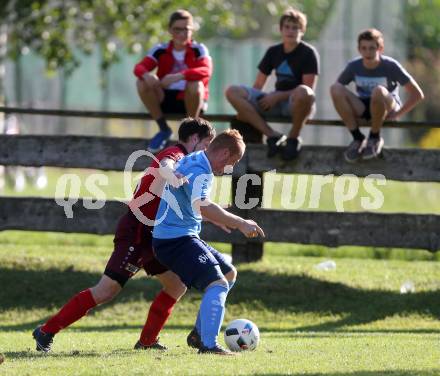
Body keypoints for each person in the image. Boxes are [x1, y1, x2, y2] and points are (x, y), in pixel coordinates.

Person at [32, 118, 216, 353]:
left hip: (156, 235)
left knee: (176, 285)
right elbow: (166, 165)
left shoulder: (189, 162)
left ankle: (147, 341)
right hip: (137, 232)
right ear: (193, 139)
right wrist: (172, 176)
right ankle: (46, 331)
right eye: (207, 144)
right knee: (106, 290)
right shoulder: (176, 154)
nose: (207, 151)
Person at [152, 129, 265, 355]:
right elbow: (201, 204)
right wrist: (240, 222)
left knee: (229, 273)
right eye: (233, 161)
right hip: (174, 241)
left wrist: (217, 218)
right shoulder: (199, 169)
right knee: (218, 284)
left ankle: (198, 334)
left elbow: (190, 202)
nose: (230, 167)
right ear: (224, 153)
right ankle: (208, 344)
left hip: (182, 236)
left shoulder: (196, 159)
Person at [225, 8, 319, 161]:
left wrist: (277, 96)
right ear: (281, 30)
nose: (290, 31)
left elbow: (309, 90)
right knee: (232, 91)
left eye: (295, 27)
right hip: (274, 103)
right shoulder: (273, 51)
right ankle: (273, 135)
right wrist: (247, 107)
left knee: (305, 92)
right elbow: (258, 85)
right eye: (287, 27)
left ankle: (293, 139)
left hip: (297, 104)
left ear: (302, 30)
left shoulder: (308, 53)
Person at [330, 28, 424, 162]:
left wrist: (397, 114)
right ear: (359, 49)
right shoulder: (354, 66)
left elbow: (417, 94)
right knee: (335, 88)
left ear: (380, 48)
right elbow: (338, 91)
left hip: (387, 104)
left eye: (372, 48)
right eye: (364, 48)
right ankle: (357, 138)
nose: (368, 52)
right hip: (365, 106)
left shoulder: (391, 66)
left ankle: (374, 137)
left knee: (378, 91)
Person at [134, 9, 213, 153]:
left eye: (186, 29)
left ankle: (191, 132)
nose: (182, 33)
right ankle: (164, 129)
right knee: (141, 82)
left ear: (192, 30)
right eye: (177, 29)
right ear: (170, 30)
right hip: (166, 99)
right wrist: (147, 76)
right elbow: (139, 68)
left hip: (192, 101)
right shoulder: (160, 49)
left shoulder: (199, 49)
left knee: (195, 84)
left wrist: (179, 76)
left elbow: (206, 71)